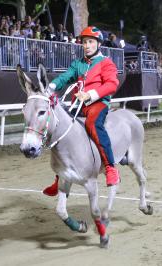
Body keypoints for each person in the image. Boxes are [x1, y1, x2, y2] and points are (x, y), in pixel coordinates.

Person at [43, 26, 120, 196]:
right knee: (60, 128)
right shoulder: (78, 64)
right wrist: (51, 87)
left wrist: (90, 95)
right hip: (79, 105)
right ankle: (60, 177)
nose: (87, 45)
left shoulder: (106, 63)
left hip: (98, 103)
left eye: (90, 42)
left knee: (93, 124)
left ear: (98, 44)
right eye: (84, 42)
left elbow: (112, 84)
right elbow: (66, 77)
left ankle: (110, 167)